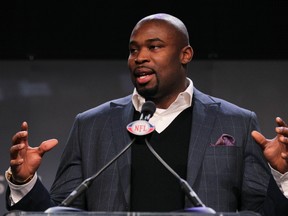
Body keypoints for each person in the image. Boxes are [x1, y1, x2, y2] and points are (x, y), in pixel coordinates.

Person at [5, 13, 288, 216]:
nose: (139, 57)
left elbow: (260, 212)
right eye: (133, 50)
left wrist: (281, 175)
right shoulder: (91, 125)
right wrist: (25, 182)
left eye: (154, 47)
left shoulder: (236, 122)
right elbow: (59, 212)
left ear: (185, 54)